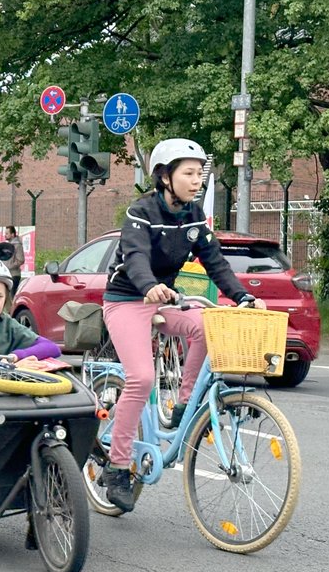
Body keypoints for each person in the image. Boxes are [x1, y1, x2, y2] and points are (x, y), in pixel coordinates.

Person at [99, 138, 264, 513]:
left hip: (164, 299)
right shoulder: (140, 211)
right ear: (164, 176)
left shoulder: (193, 218)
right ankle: (117, 466)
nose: (197, 181)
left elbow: (216, 262)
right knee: (140, 379)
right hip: (127, 300)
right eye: (188, 173)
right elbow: (136, 256)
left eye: (199, 174)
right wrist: (149, 286)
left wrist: (241, 297)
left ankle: (185, 402)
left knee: (208, 325)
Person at [2, 225, 24, 293]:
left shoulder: (17, 245)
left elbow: (20, 260)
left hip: (14, 275)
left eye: (7, 233)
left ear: (12, 234)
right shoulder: (8, 246)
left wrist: (9, 266)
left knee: (12, 297)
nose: (5, 235)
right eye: (5, 233)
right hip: (7, 275)